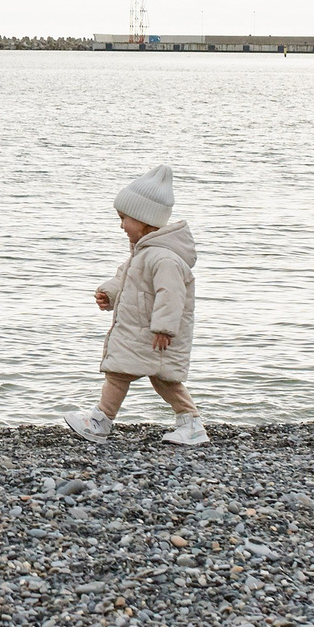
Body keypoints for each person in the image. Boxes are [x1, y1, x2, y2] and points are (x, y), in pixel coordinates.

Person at [64, 164, 206, 447]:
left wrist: (164, 327)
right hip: (140, 333)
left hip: (156, 335)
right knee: (126, 375)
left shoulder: (164, 259)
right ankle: (104, 421)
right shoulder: (143, 254)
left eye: (124, 218)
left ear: (144, 220)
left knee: (157, 379)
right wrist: (110, 294)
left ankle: (104, 422)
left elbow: (171, 294)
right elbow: (127, 280)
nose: (121, 225)